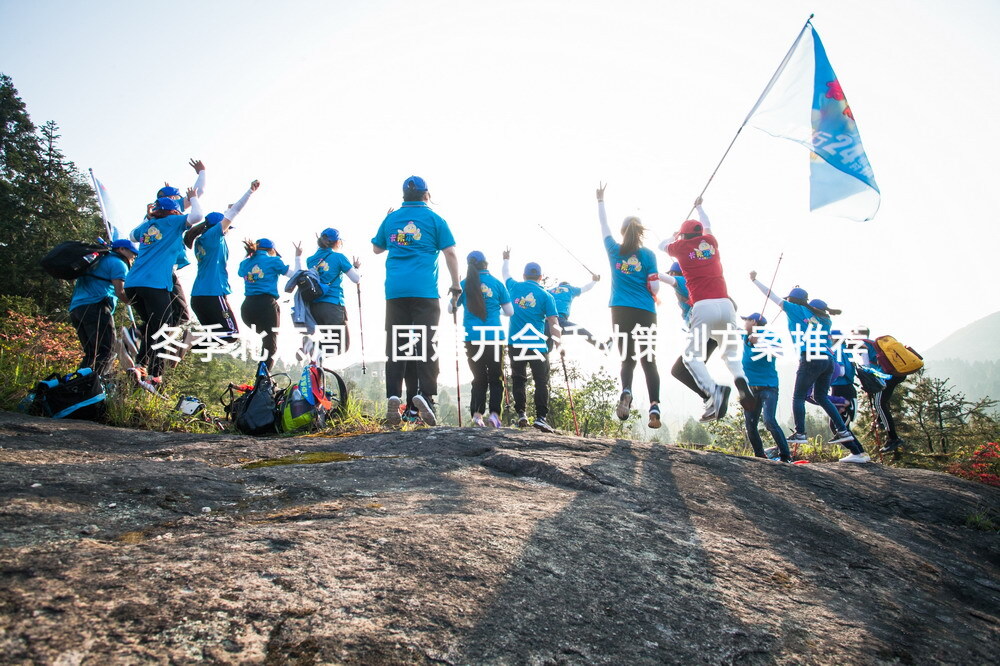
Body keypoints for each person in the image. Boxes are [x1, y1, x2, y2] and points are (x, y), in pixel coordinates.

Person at [750, 273, 870, 463]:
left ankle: (800, 433)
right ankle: (843, 431)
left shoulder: (794, 309)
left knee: (798, 396)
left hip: (810, 358)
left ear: (792, 300)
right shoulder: (824, 318)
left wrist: (754, 280)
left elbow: (771, 295)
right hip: (828, 360)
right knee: (820, 396)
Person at [372, 176, 460, 427]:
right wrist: (456, 284)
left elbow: (377, 249)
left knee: (399, 346)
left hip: (396, 292)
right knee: (426, 343)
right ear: (426, 195)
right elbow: (451, 252)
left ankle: (394, 396)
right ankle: (426, 396)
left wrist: (387, 220)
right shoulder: (435, 219)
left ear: (403, 195)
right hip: (425, 292)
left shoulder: (391, 219)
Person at [663, 197, 752, 422]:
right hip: (726, 305)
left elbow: (660, 245)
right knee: (730, 355)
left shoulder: (681, 248)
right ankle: (741, 382)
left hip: (703, 307)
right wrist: (701, 207)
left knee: (691, 358)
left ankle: (714, 391)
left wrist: (675, 236)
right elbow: (708, 224)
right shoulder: (711, 242)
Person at [596, 184, 662, 428]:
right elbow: (655, 288)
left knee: (627, 359)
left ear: (623, 232)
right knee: (648, 360)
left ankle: (626, 390)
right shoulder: (649, 255)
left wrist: (600, 200)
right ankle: (654, 406)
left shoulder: (614, 250)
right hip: (645, 311)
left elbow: (604, 228)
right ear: (640, 232)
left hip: (620, 310)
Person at [124, 188, 204, 381]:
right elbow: (198, 215)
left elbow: (131, 236)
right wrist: (193, 196)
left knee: (154, 325)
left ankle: (141, 365)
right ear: (174, 211)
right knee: (163, 326)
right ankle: (153, 373)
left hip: (133, 283)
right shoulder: (173, 222)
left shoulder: (148, 225)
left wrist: (148, 216)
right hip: (154, 283)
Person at [184, 179, 261, 345]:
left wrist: (228, 209)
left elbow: (229, 214)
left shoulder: (202, 239)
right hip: (213, 293)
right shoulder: (214, 236)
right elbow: (234, 213)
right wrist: (250, 192)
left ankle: (184, 345)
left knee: (219, 337)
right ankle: (191, 340)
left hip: (198, 297)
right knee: (231, 334)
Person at [450, 250, 512, 427]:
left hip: (472, 337)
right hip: (493, 337)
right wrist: (493, 309)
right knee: (495, 377)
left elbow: (450, 308)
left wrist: (456, 297)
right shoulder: (497, 284)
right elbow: (510, 312)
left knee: (478, 377)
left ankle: (477, 415)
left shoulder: (464, 284)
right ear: (486, 263)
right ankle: (494, 415)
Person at [502, 252, 560, 432]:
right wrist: (559, 342)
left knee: (519, 379)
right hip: (537, 346)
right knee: (541, 381)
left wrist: (506, 258)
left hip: (516, 343)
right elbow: (553, 323)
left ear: (524, 275)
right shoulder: (546, 296)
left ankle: (522, 414)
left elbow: (505, 274)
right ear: (540, 277)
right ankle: (541, 418)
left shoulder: (514, 287)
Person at [69, 239, 138, 376]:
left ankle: (78, 386)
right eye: (132, 253)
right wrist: (136, 303)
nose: (134, 256)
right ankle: (94, 386)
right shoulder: (118, 263)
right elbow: (120, 292)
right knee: (107, 351)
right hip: (97, 307)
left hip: (76, 308)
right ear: (122, 249)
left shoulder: (96, 260)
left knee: (91, 353)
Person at [659, 260, 720, 408]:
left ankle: (714, 394)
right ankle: (712, 397)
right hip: (712, 333)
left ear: (676, 273)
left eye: (672, 273)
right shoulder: (693, 285)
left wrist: (647, 270)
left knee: (679, 370)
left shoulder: (682, 281)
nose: (671, 275)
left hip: (706, 332)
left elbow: (668, 279)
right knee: (694, 370)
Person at [238, 238, 302, 370]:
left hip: (247, 309)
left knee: (266, 341)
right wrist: (298, 257)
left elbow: (241, 273)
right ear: (272, 250)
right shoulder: (274, 261)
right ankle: (262, 380)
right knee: (270, 345)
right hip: (266, 306)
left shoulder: (244, 263)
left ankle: (261, 375)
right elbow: (295, 275)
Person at [739, 313, 792, 463]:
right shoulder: (745, 335)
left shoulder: (770, 336)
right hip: (749, 388)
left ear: (754, 321)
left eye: (746, 320)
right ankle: (759, 456)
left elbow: (778, 353)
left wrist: (760, 342)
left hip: (768, 387)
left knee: (769, 420)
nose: (744, 324)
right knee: (750, 424)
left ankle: (785, 456)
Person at [306, 227, 361, 356]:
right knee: (341, 346)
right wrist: (356, 268)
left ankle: (316, 362)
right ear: (337, 242)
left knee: (329, 342)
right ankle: (310, 346)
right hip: (333, 305)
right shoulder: (338, 257)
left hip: (315, 308)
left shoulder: (310, 260)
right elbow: (356, 278)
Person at [852, 326, 907, 453]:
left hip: (886, 377)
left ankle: (893, 438)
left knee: (879, 403)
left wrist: (867, 381)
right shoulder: (873, 344)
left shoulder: (862, 344)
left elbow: (866, 366)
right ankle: (880, 421)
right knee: (882, 401)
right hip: (898, 374)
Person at [547, 274, 601, 346]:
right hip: (561, 320)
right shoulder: (570, 289)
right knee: (582, 331)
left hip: (548, 322)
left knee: (547, 344)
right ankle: (602, 346)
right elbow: (586, 288)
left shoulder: (550, 291)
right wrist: (594, 281)